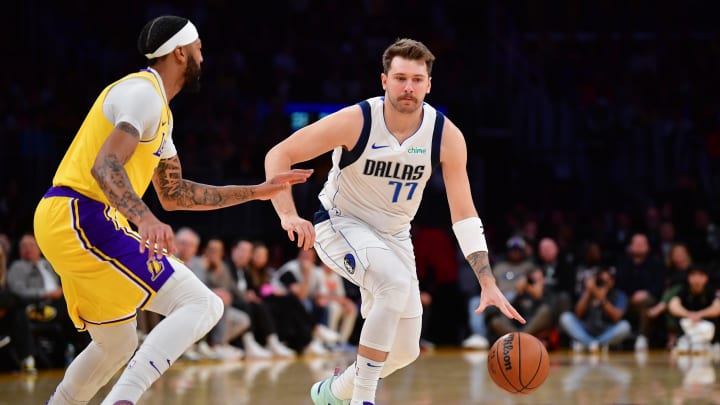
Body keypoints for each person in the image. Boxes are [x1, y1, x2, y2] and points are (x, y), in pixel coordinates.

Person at [33, 15, 311, 405]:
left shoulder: (161, 112)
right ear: (180, 53)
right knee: (202, 303)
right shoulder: (142, 92)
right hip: (81, 214)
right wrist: (144, 219)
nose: (203, 54)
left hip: (69, 218)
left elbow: (175, 193)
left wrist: (259, 191)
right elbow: (105, 164)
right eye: (199, 48)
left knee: (116, 343)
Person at [264, 37, 524, 405]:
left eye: (417, 79)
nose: (408, 87)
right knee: (393, 284)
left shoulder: (445, 136)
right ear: (384, 80)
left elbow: (464, 213)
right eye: (400, 78)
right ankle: (363, 400)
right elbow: (280, 154)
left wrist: (487, 279)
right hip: (340, 223)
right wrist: (288, 214)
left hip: (395, 236)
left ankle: (333, 393)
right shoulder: (357, 120)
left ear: (429, 84)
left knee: (405, 351)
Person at [559, 267, 631, 354]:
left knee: (625, 326)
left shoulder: (619, 295)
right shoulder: (589, 292)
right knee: (565, 317)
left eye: (606, 281)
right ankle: (593, 344)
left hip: (606, 331)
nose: (603, 283)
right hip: (586, 329)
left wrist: (602, 299)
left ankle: (589, 344)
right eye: (600, 280)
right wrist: (588, 292)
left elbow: (616, 317)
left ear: (612, 282)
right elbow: (578, 314)